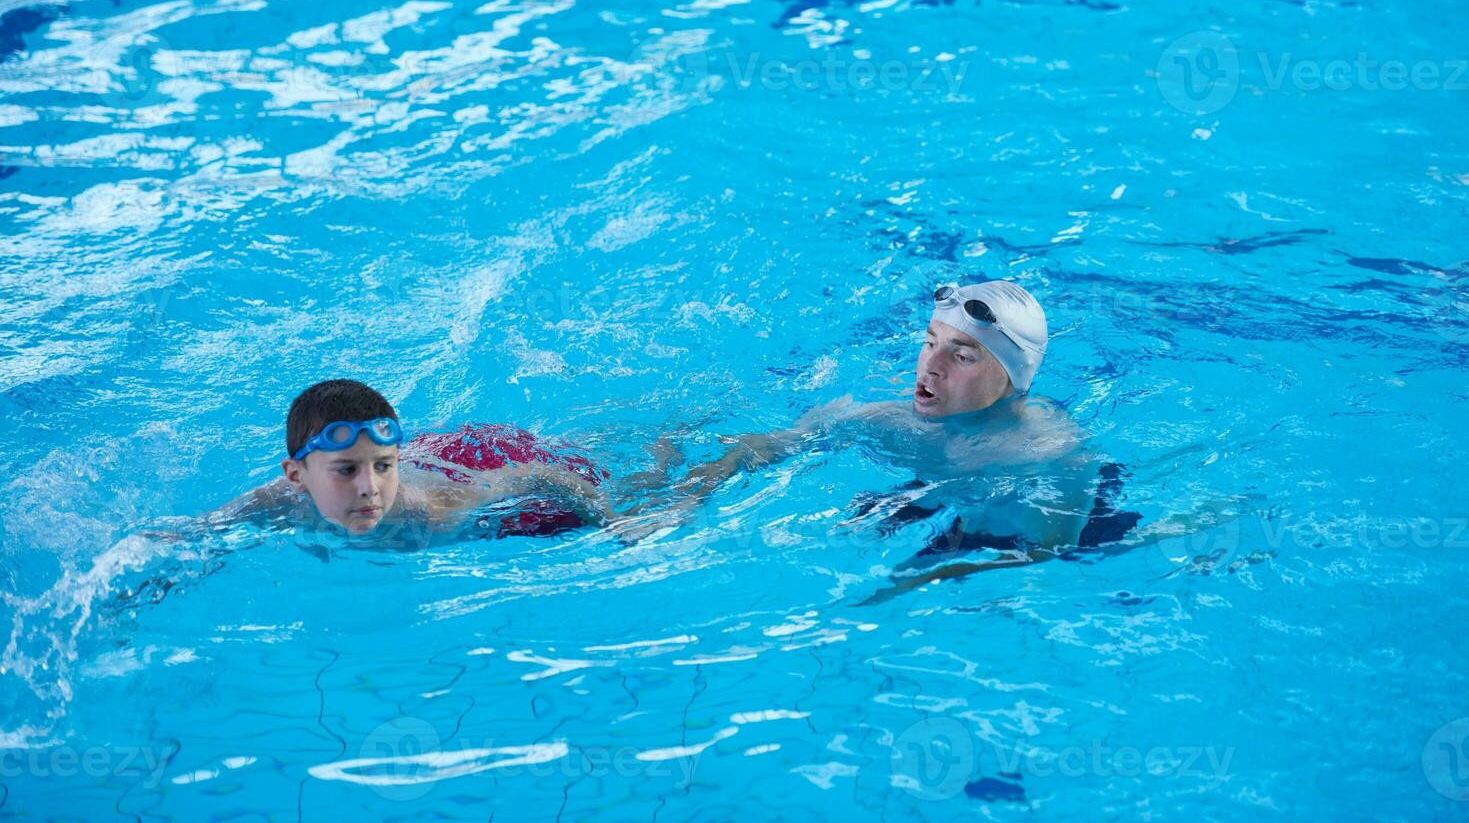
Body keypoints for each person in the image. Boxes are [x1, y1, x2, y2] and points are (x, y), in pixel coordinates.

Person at [674, 279, 1138, 596]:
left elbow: (1045, 553)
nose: (931, 366)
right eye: (930, 341)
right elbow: (768, 443)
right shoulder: (887, 413)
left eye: (963, 357)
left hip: (1046, 525)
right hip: (950, 485)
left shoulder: (1054, 456)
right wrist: (689, 496)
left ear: (1013, 377)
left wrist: (925, 579)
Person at [216, 379, 614, 544]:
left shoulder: (431, 514)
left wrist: (617, 523)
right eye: (347, 470)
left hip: (484, 462)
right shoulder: (278, 500)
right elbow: (198, 534)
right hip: (431, 456)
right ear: (295, 475)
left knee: (628, 485)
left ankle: (668, 437)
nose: (369, 487)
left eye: (382, 466)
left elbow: (540, 475)